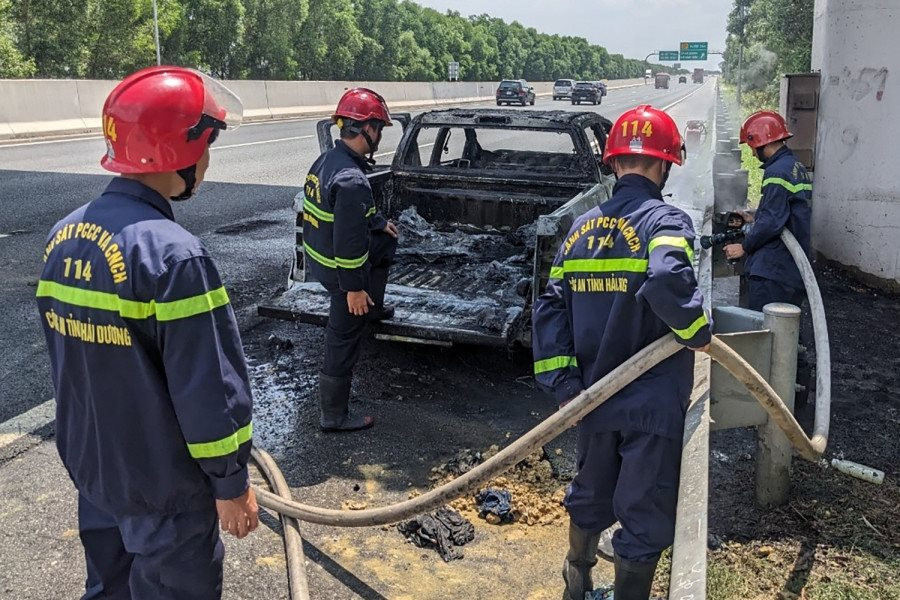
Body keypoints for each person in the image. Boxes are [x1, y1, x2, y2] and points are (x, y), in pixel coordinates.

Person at [36, 66, 257, 600]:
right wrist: (230, 484)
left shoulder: (62, 236)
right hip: (165, 492)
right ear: (179, 151)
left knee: (108, 590)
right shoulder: (175, 256)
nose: (208, 161)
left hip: (97, 475)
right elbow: (208, 390)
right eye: (207, 144)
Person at [532, 105, 711, 600]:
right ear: (666, 163)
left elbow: (549, 309)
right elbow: (666, 278)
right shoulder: (665, 218)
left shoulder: (580, 227)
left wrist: (565, 386)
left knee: (589, 495)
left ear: (613, 164)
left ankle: (576, 585)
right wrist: (698, 329)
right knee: (643, 510)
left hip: (592, 398)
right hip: (650, 404)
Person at [302, 88, 399, 432]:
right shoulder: (353, 180)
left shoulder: (330, 160)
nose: (380, 135)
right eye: (380, 129)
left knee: (384, 242)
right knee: (341, 337)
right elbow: (348, 245)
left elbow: (345, 213)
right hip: (337, 269)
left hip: (319, 258)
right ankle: (334, 415)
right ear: (366, 129)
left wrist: (376, 222)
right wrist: (353, 290)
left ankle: (370, 306)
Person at [724, 110, 812, 312]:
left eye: (752, 147)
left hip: (774, 270)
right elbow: (784, 211)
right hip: (791, 269)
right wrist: (753, 216)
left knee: (765, 330)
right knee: (786, 331)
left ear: (761, 141)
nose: (753, 154)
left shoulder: (776, 172)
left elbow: (772, 221)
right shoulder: (795, 166)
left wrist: (744, 246)